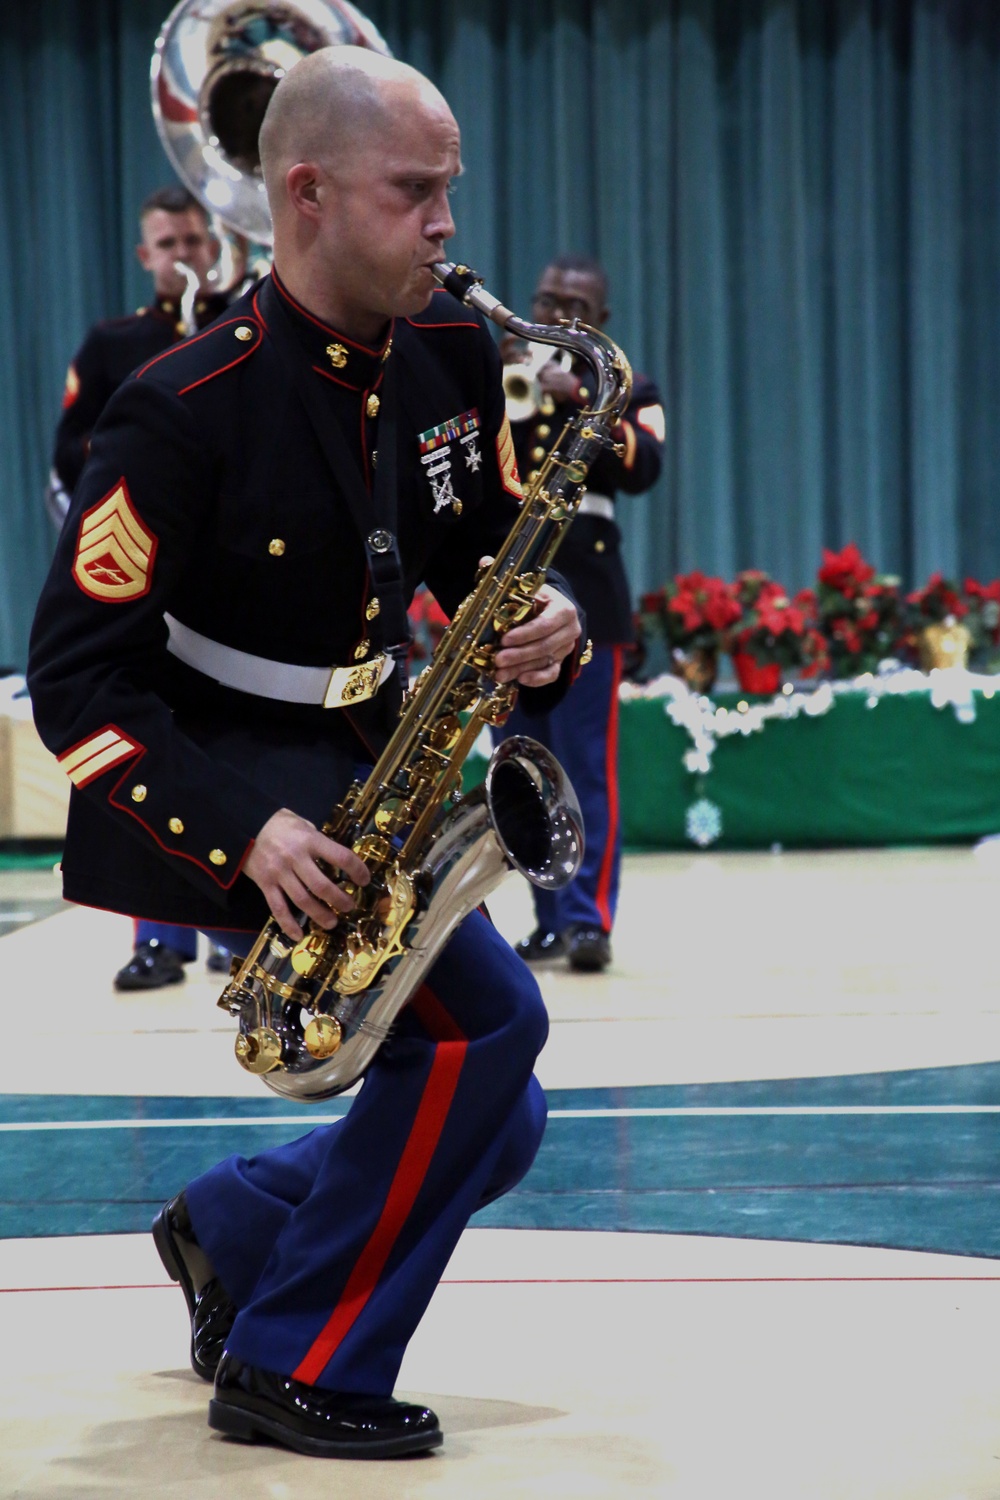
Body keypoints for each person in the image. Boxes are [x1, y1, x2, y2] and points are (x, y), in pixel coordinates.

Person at [28, 47, 583, 1460]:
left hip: (357, 741)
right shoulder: (177, 407)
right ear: (308, 193)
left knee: (494, 1114)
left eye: (449, 191)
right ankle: (296, 1362)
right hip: (216, 764)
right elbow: (79, 685)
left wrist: (544, 625)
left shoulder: (452, 352)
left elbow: (475, 556)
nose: (449, 225)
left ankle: (236, 1224)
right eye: (417, 194)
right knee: (491, 1032)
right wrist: (241, 830)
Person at [52, 184, 233, 991]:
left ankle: (234, 926)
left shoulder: (247, 322)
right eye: (168, 245)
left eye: (194, 241)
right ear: (144, 256)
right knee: (150, 741)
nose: (184, 256)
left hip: (229, 583)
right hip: (148, 577)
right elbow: (67, 454)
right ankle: (158, 939)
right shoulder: (112, 342)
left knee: (225, 746)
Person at [498, 257, 664, 971]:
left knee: (585, 768)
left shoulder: (627, 387)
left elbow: (644, 466)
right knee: (517, 768)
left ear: (600, 319)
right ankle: (546, 916)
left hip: (588, 597)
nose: (559, 313)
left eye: (576, 305)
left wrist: (578, 398)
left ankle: (588, 918)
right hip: (503, 595)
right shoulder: (495, 367)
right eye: (546, 300)